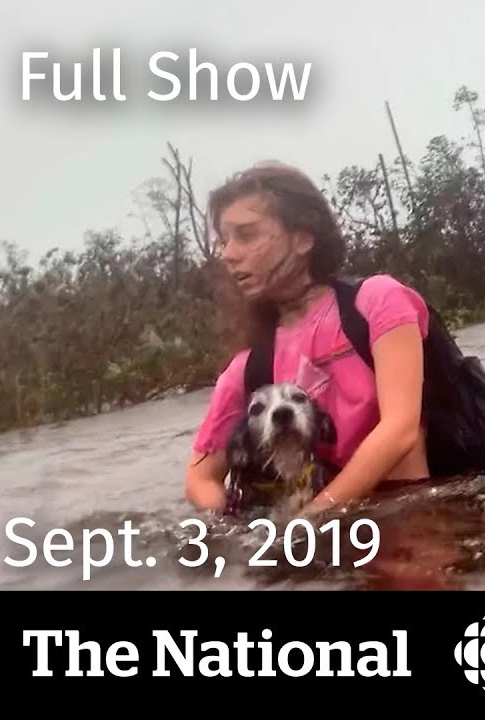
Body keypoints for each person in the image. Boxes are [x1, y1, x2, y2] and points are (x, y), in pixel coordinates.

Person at [184, 160, 433, 518]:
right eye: (224, 241)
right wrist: (239, 525)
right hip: (327, 525)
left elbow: (400, 429)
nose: (228, 254)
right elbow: (199, 478)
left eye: (247, 235)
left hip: (414, 509)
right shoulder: (250, 367)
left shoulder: (377, 302)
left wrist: (311, 518)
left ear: (303, 238)